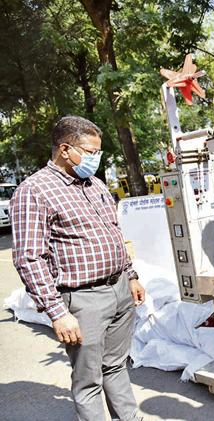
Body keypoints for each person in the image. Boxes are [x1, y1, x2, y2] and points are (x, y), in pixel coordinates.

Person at [10, 115, 145, 421]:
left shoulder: (94, 183)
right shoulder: (35, 191)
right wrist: (57, 312)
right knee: (89, 379)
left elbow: (114, 232)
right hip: (84, 300)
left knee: (116, 365)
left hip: (120, 290)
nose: (96, 159)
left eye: (99, 152)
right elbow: (30, 258)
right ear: (65, 148)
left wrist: (130, 275)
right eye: (90, 151)